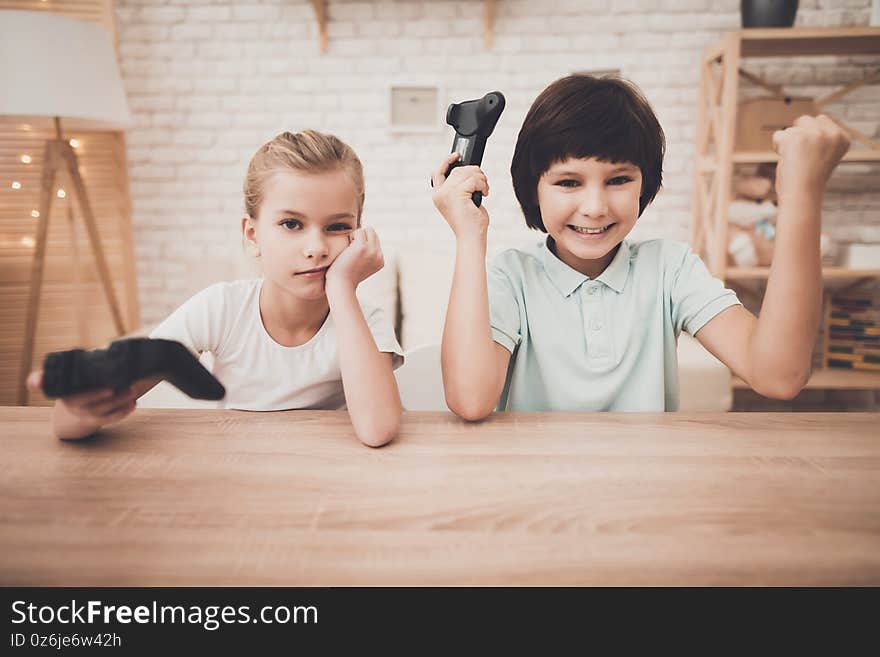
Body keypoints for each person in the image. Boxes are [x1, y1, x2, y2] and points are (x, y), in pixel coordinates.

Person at [431, 74, 850, 418]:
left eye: (618, 180)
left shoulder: (671, 268)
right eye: (568, 182)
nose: (595, 208)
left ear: (644, 184)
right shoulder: (512, 277)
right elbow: (470, 400)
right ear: (533, 189)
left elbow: (778, 374)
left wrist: (801, 194)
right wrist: (470, 237)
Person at [29, 130, 403, 446]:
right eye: (291, 224)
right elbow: (64, 424)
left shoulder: (363, 320)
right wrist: (80, 410)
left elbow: (378, 429)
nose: (316, 248)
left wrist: (341, 289)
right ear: (252, 235)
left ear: (357, 234)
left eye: (337, 227)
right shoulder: (222, 308)